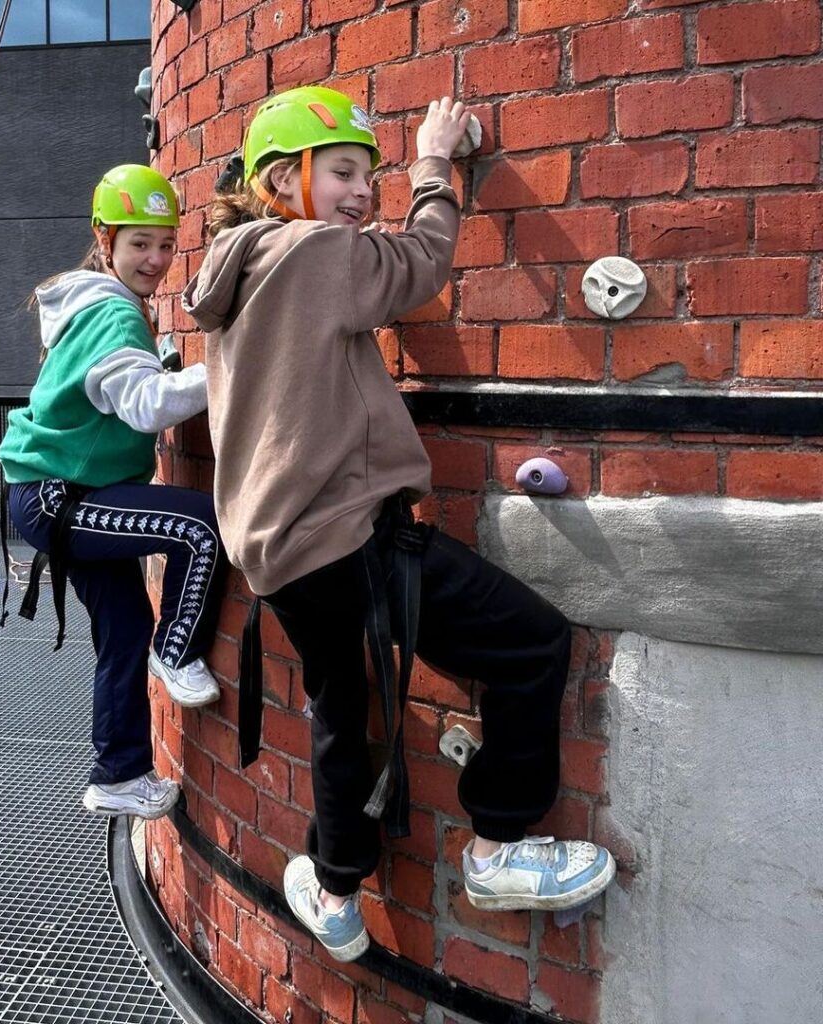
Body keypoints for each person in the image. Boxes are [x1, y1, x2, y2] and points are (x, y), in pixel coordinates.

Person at [182, 88, 615, 963]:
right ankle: (495, 851)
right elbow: (418, 264)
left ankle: (335, 891)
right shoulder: (309, 250)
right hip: (349, 538)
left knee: (347, 708)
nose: (359, 194)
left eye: (368, 179)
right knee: (530, 645)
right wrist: (432, 160)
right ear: (280, 182)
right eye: (341, 172)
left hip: (281, 554)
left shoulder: (239, 266)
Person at [0, 164, 226, 821]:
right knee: (203, 527)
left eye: (164, 243)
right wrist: (227, 372)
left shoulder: (98, 305)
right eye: (139, 245)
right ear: (105, 238)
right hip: (60, 497)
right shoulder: (113, 313)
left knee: (124, 629)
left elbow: (112, 388)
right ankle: (178, 653)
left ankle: (119, 776)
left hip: (53, 493)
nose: (155, 259)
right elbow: (143, 406)